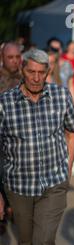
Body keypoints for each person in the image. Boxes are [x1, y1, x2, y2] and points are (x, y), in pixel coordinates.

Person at [0, 49, 74, 245]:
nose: (36, 78)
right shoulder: (5, 103)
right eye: (31, 72)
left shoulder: (60, 95)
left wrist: (66, 170)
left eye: (41, 73)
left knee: (42, 244)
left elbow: (72, 131)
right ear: (22, 70)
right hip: (19, 186)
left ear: (48, 72)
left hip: (53, 185)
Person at [0, 42, 22, 234]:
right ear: (2, 58)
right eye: (10, 57)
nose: (14, 61)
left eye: (17, 57)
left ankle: (14, 210)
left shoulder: (28, 77)